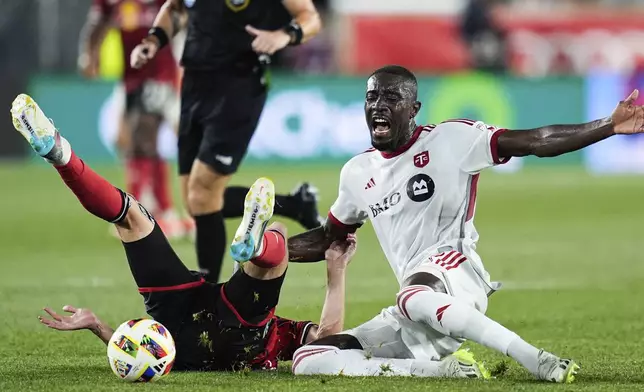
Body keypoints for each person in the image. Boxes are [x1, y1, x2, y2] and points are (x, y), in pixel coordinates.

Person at [285, 65, 644, 382]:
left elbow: (535, 141)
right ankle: (436, 371)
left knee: (412, 296)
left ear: (413, 110)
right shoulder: (357, 173)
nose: (378, 104)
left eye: (391, 97)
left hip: (457, 273)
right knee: (310, 359)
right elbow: (328, 239)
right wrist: (266, 251)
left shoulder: (451, 139)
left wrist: (608, 125)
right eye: (372, 96)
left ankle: (536, 359)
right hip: (417, 311)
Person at [12, 94, 343, 371]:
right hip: (202, 338)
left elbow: (327, 341)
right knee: (263, 267)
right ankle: (254, 248)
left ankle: (61, 155)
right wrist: (100, 327)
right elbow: (327, 340)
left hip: (186, 315)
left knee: (133, 217)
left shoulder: (278, 329)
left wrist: (336, 267)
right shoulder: (287, 335)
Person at [129, 0, 323, 283]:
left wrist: (284, 35)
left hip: (240, 85)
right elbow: (175, 9)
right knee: (194, 202)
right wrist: (154, 40)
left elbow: (311, 17)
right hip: (195, 84)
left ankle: (207, 291)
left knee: (202, 193)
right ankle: (295, 205)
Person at [78, 0, 186, 238]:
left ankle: (162, 213)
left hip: (165, 77)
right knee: (131, 140)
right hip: (131, 79)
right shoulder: (112, 3)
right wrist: (89, 54)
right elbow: (97, 23)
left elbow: (182, 21)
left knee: (160, 141)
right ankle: (158, 211)